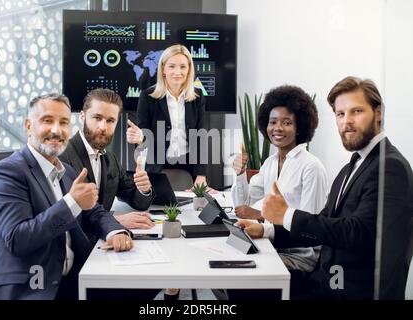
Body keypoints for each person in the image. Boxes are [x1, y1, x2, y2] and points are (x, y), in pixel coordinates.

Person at [245, 76, 413, 299]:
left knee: (249, 287)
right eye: (340, 114)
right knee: (243, 280)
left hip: (348, 292)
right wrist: (266, 230)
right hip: (328, 281)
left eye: (357, 111)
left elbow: (358, 233)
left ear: (378, 113)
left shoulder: (390, 166)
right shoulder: (351, 167)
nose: (347, 122)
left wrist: (286, 215)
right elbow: (324, 224)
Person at [0, 93, 133, 300]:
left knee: (145, 283)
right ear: (28, 125)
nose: (57, 130)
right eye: (47, 121)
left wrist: (115, 232)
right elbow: (18, 239)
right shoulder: (6, 173)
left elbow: (96, 212)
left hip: (70, 279)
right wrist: (72, 203)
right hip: (30, 287)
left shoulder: (67, 171)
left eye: (63, 122)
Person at [231, 85, 328, 273]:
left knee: (240, 274)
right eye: (273, 122)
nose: (277, 128)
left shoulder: (311, 167)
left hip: (299, 256)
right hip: (272, 245)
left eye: (287, 122)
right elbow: (243, 206)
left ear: (300, 127)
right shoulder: (270, 163)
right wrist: (240, 173)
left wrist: (261, 215)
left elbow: (309, 228)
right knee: (223, 266)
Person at [59, 88, 155, 234]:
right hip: (78, 250)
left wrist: (144, 189)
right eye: (97, 118)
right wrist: (114, 221)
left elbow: (138, 203)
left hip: (106, 242)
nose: (103, 127)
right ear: (82, 117)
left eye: (110, 120)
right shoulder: (63, 156)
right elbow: (63, 216)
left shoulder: (111, 159)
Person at [126, 44, 213, 190]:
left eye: (183, 67)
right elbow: (144, 134)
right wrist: (141, 137)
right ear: (163, 69)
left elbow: (200, 137)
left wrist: (201, 175)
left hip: (190, 163)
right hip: (157, 163)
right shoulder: (147, 96)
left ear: (189, 69)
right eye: (172, 66)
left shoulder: (198, 96)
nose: (177, 72)